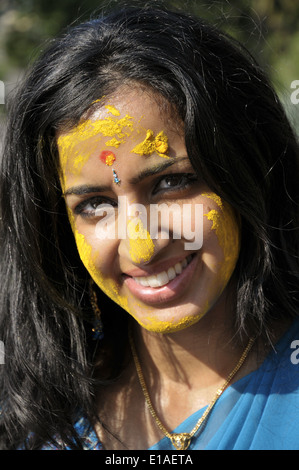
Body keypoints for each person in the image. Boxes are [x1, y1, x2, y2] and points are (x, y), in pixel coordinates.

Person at [0, 5, 298, 451]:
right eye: (95, 204)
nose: (142, 248)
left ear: (247, 169)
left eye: (171, 183)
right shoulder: (40, 414)